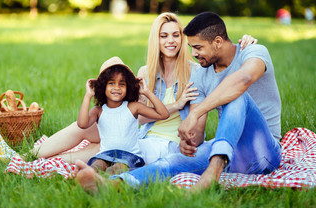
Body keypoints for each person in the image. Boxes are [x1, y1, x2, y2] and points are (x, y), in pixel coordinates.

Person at [0, 12, 257, 167]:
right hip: (140, 131)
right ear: (156, 39)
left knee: (107, 146)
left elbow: (196, 130)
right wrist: (166, 106)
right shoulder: (144, 74)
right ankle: (25, 157)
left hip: (168, 143)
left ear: (183, 39)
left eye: (176, 35)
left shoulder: (196, 73)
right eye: (164, 35)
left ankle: (36, 164)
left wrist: (245, 44)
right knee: (86, 127)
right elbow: (135, 116)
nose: (171, 41)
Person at [70, 11, 282, 193]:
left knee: (238, 96)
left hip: (264, 150)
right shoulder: (201, 75)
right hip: (229, 153)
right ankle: (112, 185)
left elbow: (243, 80)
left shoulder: (253, 52)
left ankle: (213, 171)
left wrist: (195, 114)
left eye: (197, 47)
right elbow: (197, 134)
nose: (193, 53)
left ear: (217, 42)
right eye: (191, 47)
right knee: (171, 161)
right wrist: (187, 141)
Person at [77, 56, 169, 174]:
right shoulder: (98, 111)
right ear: (103, 87)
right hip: (105, 155)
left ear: (128, 87)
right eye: (111, 83)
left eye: (122, 84)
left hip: (129, 156)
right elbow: (82, 124)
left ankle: (106, 183)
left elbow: (163, 114)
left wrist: (146, 92)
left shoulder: (133, 107)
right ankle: (85, 176)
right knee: (96, 165)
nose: (117, 88)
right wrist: (88, 95)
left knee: (116, 169)